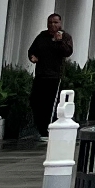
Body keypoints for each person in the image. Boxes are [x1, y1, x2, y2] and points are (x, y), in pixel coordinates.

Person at [27, 12, 74, 140]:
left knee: (51, 104)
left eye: (55, 22)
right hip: (41, 74)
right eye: (50, 22)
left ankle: (50, 129)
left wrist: (59, 42)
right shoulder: (42, 36)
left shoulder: (65, 37)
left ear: (60, 24)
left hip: (55, 76)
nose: (52, 25)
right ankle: (41, 128)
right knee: (36, 102)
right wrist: (32, 57)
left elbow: (67, 52)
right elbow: (32, 50)